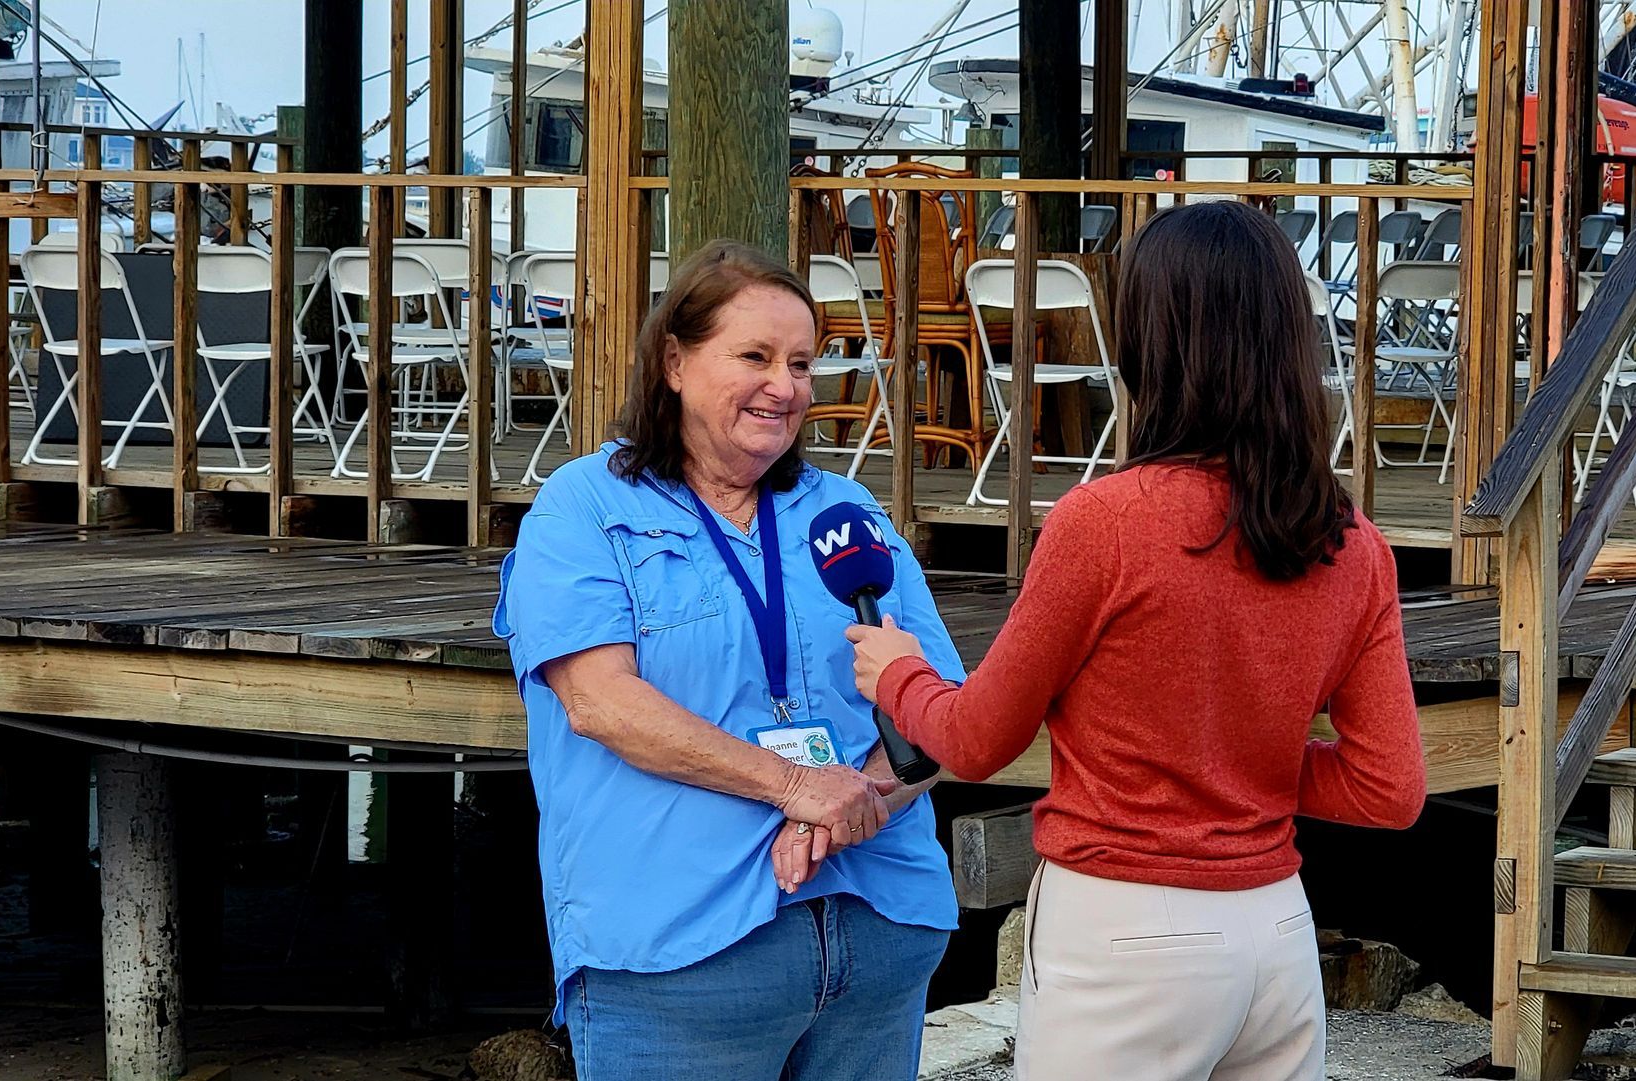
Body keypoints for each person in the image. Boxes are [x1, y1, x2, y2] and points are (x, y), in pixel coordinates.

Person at [847, 200, 1427, 1081]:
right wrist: (1245, 760)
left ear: (1147, 342)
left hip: (1125, 930)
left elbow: (976, 738)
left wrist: (899, 676)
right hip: (1275, 928)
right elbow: (1391, 791)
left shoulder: (1104, 523)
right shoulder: (1352, 542)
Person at [495, 240, 964, 1081]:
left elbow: (939, 712)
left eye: (802, 362)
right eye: (754, 356)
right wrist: (794, 786)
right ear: (674, 361)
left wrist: (854, 800)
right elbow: (602, 702)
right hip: (684, 960)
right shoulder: (585, 506)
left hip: (878, 933)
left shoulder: (845, 508)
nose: (785, 387)